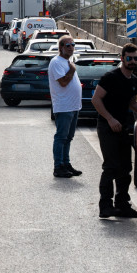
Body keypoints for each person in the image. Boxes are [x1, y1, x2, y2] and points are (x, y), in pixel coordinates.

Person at [91, 43, 137, 219]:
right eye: (129, 58)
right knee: (111, 166)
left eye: (135, 58)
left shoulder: (133, 80)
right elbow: (96, 100)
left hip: (124, 128)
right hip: (107, 127)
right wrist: (110, 119)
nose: (132, 61)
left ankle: (122, 205)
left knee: (125, 168)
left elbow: (133, 103)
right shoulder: (110, 77)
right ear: (122, 58)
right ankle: (105, 206)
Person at [48, 35, 82, 178]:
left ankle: (66, 164)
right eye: (67, 45)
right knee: (61, 137)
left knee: (68, 137)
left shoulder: (68, 62)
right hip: (64, 106)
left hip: (73, 106)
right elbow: (62, 82)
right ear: (61, 47)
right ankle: (58, 166)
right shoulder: (56, 62)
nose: (71, 47)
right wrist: (72, 70)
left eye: (72, 45)